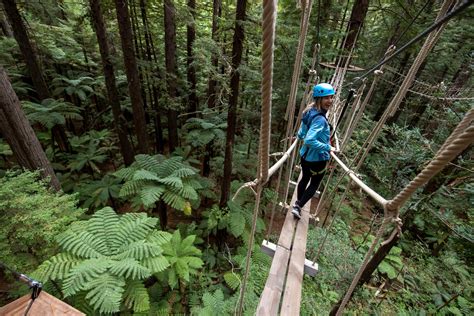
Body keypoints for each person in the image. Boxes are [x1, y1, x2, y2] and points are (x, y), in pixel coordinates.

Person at [291, 83, 337, 219]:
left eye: (331, 97)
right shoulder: (321, 120)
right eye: (326, 98)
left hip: (304, 156)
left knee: (305, 178)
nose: (330, 101)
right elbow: (310, 140)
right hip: (318, 159)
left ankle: (298, 203)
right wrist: (329, 147)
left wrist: (299, 136)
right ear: (319, 99)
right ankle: (298, 206)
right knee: (314, 184)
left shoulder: (309, 111)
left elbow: (301, 133)